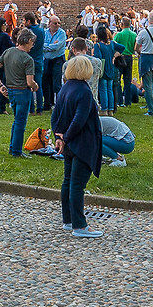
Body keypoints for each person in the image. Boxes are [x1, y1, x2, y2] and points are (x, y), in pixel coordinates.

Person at [48, 55, 105, 238]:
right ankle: (79, 225)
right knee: (77, 184)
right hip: (82, 142)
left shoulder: (65, 88)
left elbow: (55, 115)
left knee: (68, 181)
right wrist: (66, 137)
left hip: (69, 143)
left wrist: (58, 135)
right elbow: (79, 120)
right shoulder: (84, 91)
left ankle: (68, 219)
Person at [0, 23, 39, 155]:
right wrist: (35, 86)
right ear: (28, 41)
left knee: (16, 120)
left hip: (11, 90)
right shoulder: (28, 59)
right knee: (21, 122)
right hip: (23, 91)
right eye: (32, 43)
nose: (32, 46)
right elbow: (29, 81)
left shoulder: (9, 52)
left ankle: (13, 148)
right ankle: (16, 151)